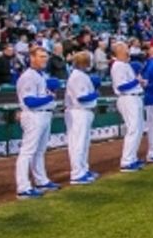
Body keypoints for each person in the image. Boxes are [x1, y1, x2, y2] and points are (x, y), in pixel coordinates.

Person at [14, 46, 62, 198]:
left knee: (39, 151)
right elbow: (29, 101)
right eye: (41, 56)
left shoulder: (41, 75)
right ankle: (23, 188)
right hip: (33, 115)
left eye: (45, 57)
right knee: (27, 152)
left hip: (43, 115)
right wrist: (50, 97)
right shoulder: (28, 76)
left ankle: (41, 180)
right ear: (32, 58)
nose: (44, 59)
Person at [64, 50, 100, 184]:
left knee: (83, 143)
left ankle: (83, 170)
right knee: (78, 144)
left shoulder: (81, 75)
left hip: (83, 112)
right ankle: (77, 174)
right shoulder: (77, 76)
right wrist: (96, 93)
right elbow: (82, 98)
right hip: (78, 112)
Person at [110, 41, 145, 171]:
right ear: (119, 51)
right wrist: (137, 81)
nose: (128, 51)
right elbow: (122, 86)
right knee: (133, 129)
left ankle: (132, 158)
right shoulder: (118, 65)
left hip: (134, 97)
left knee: (138, 129)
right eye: (125, 49)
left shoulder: (124, 65)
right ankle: (126, 161)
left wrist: (139, 83)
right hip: (127, 99)